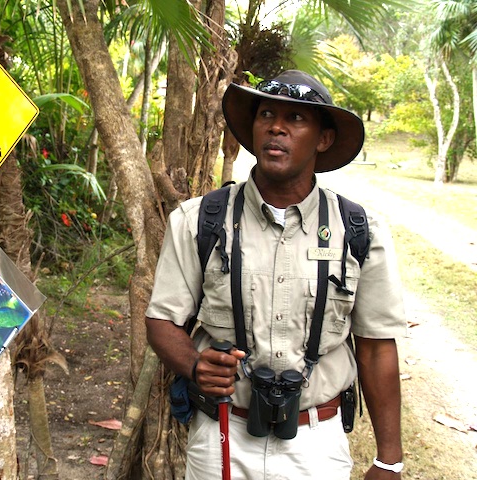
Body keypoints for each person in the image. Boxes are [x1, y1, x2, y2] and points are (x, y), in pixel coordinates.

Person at [145, 70, 406, 480]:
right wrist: (196, 365)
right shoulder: (200, 221)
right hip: (222, 435)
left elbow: (376, 346)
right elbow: (162, 320)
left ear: (323, 139)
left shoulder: (358, 230)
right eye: (266, 113)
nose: (276, 127)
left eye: (296, 119)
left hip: (317, 444)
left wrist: (389, 457)